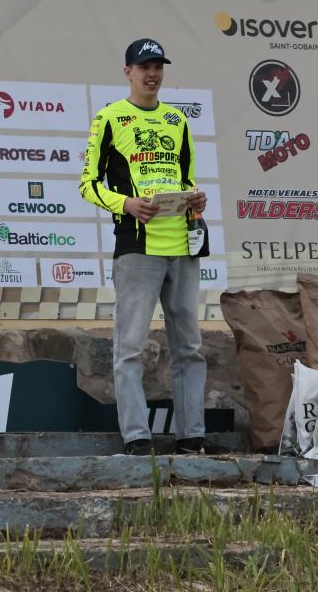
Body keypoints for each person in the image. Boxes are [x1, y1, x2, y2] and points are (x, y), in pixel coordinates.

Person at [78, 38, 209, 455]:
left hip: (182, 247)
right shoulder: (109, 118)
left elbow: (186, 178)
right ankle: (137, 436)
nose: (152, 74)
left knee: (190, 348)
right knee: (130, 348)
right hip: (137, 248)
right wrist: (126, 204)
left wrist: (196, 199)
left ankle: (192, 435)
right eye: (144, 67)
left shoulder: (177, 120)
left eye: (158, 67)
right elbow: (87, 185)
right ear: (128, 72)